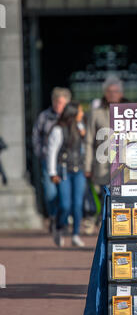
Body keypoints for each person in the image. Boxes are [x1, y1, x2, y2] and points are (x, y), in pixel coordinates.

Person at [84, 76, 126, 225]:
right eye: (110, 91)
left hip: (124, 164)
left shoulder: (130, 111)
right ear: (105, 93)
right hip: (102, 163)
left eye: (116, 91)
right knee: (105, 196)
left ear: (121, 93)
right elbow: (88, 141)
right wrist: (87, 166)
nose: (113, 94)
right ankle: (104, 223)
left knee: (121, 198)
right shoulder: (96, 113)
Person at [32, 88, 72, 232]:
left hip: (65, 162)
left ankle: (64, 220)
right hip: (48, 160)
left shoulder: (70, 118)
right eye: (56, 101)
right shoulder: (44, 116)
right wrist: (41, 153)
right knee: (50, 192)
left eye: (61, 102)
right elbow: (36, 136)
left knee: (65, 194)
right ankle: (54, 217)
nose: (58, 105)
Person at [47, 101, 86, 248]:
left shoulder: (80, 127)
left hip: (79, 170)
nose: (82, 114)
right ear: (73, 113)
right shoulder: (58, 129)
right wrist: (52, 172)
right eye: (80, 112)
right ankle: (59, 227)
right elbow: (52, 152)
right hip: (63, 170)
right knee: (65, 204)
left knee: (77, 204)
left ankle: (75, 234)